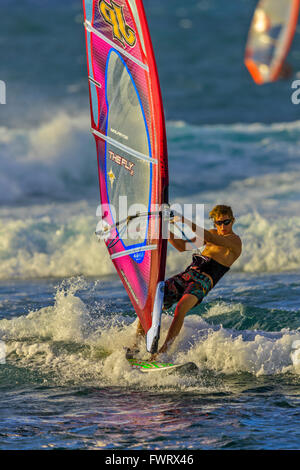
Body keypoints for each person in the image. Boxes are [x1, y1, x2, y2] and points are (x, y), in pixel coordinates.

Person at [132, 205, 242, 359]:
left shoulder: (234, 242)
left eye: (226, 222)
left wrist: (182, 219)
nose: (222, 227)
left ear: (233, 221)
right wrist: (163, 229)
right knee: (153, 301)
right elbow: (182, 246)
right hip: (187, 275)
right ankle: (135, 346)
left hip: (202, 282)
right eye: (218, 223)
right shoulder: (211, 233)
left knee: (181, 308)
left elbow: (212, 239)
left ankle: (162, 353)